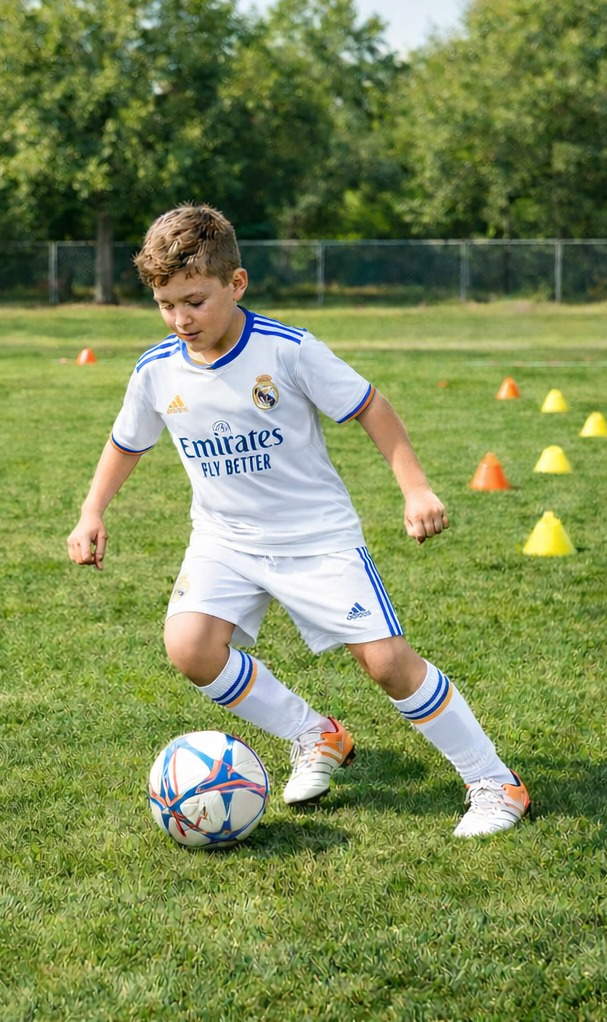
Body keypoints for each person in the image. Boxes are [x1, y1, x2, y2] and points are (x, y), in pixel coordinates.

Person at [66, 203, 530, 837]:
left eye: (195, 301)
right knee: (191, 647)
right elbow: (127, 442)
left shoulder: (287, 351)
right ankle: (316, 734)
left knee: (388, 663)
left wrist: (415, 489)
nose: (180, 320)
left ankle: (495, 781)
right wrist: (93, 512)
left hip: (316, 539)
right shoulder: (156, 370)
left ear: (237, 284)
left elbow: (372, 407)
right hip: (223, 540)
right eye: (166, 304)